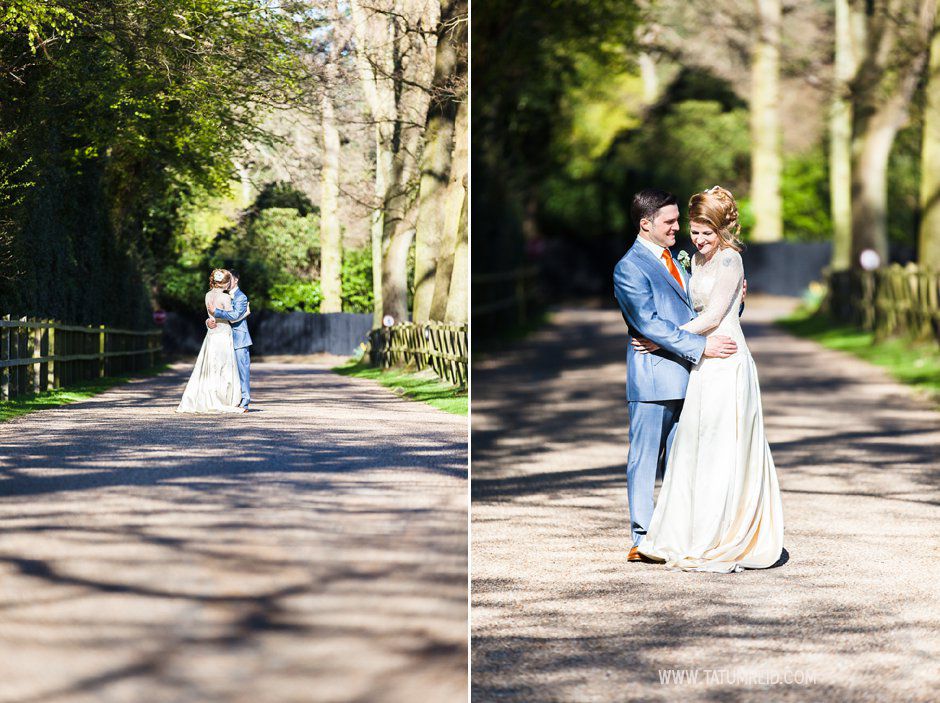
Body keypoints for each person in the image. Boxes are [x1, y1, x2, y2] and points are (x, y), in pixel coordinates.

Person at [635, 186, 784, 572]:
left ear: (723, 229)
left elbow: (715, 316)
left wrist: (661, 338)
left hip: (726, 358)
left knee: (723, 444)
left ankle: (723, 533)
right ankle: (689, 531)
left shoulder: (731, 260)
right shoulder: (698, 260)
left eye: (707, 233)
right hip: (703, 360)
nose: (698, 240)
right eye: (695, 231)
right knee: (697, 443)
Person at [613, 189, 739, 562]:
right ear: (645, 224)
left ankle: (675, 534)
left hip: (692, 377)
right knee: (644, 460)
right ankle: (642, 539)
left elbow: (701, 308)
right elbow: (648, 323)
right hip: (653, 380)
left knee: (684, 462)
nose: (677, 228)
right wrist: (701, 346)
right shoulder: (629, 267)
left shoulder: (678, 259)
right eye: (669, 222)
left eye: (676, 221)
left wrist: (736, 299)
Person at [176, 269, 246, 414]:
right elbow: (231, 317)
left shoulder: (207, 295)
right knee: (224, 366)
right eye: (228, 281)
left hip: (212, 334)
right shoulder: (225, 297)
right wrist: (245, 313)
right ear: (225, 283)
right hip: (223, 333)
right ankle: (222, 399)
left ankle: (206, 397)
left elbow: (211, 315)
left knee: (210, 365)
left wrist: (209, 321)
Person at [207, 269, 252, 410]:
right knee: (224, 371)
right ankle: (228, 399)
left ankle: (245, 399)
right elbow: (211, 317)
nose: (225, 281)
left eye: (229, 278)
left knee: (242, 370)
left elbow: (234, 315)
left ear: (236, 280)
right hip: (223, 337)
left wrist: (217, 312)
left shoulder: (241, 297)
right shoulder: (221, 295)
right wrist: (208, 321)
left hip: (239, 339)